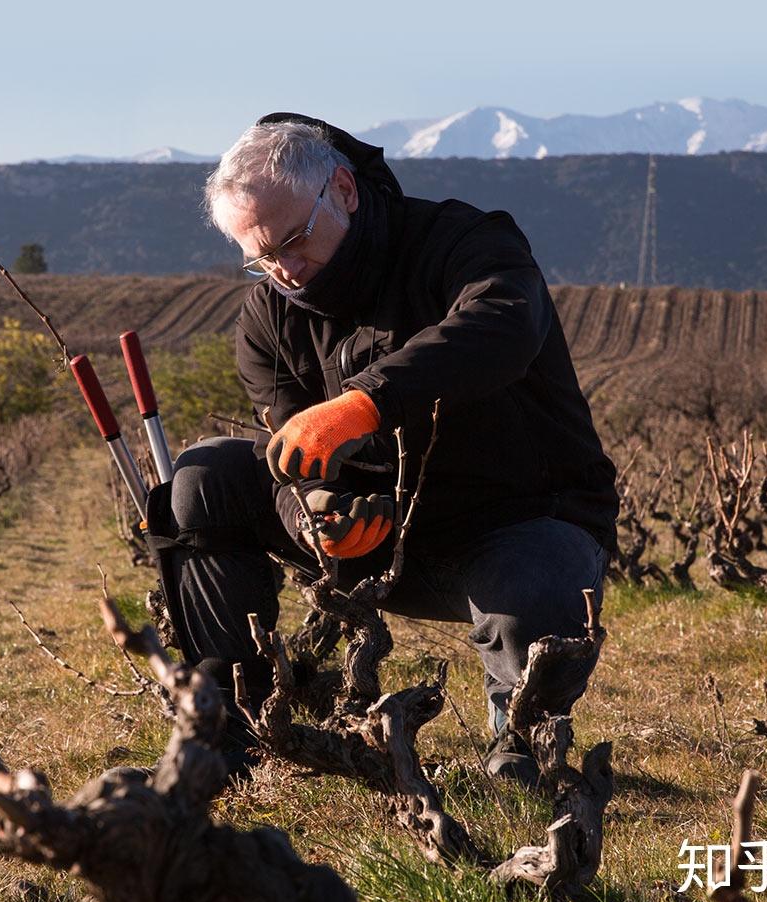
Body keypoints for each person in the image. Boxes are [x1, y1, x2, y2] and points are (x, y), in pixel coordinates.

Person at [146, 113, 618, 784]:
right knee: (204, 477)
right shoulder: (270, 318)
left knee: (531, 590)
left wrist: (363, 403)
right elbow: (291, 458)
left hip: (518, 520)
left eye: (294, 240)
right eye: (261, 257)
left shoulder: (462, 242)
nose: (285, 269)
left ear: (342, 189)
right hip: (381, 535)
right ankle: (231, 728)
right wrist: (314, 513)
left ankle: (519, 741)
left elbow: (504, 323)